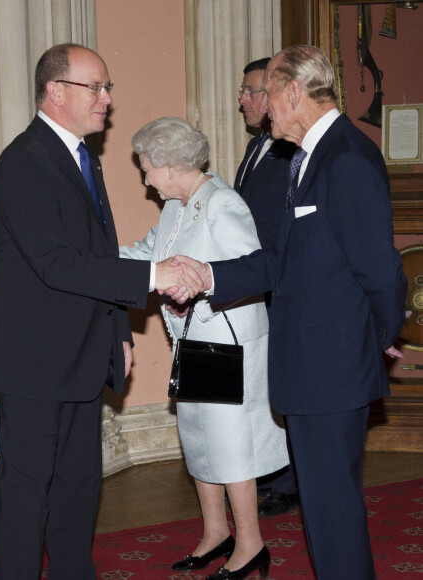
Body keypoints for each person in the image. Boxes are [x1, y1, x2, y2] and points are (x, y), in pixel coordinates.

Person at [169, 45, 407, 579]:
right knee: (324, 507)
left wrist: (380, 334)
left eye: (268, 93)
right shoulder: (308, 159)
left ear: (294, 91)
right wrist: (209, 276)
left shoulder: (345, 157)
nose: (262, 106)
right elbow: (282, 261)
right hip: (313, 363)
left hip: (332, 364)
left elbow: (381, 269)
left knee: (332, 506)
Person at [0, 44, 203, 579]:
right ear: (55, 92)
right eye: (95, 87)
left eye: (108, 88)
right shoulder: (23, 162)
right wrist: (154, 275)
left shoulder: (83, 157)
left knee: (79, 482)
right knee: (28, 488)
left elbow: (98, 253)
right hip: (34, 361)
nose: (107, 99)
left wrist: (117, 336)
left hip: (82, 353)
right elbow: (57, 265)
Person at [120, 117, 289, 580]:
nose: (146, 177)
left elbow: (250, 269)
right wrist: (96, 260)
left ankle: (251, 544)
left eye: (147, 168)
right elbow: (151, 253)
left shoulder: (222, 202)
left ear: (171, 166)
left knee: (231, 446)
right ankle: (216, 533)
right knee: (199, 440)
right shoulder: (177, 205)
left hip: (227, 342)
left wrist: (197, 291)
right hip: (192, 342)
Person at [235, 57, 300, 518]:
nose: (243, 100)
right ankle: (274, 474)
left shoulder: (288, 151)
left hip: (280, 280)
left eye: (250, 92)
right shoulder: (259, 146)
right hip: (258, 279)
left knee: (283, 380)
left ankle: (289, 480)